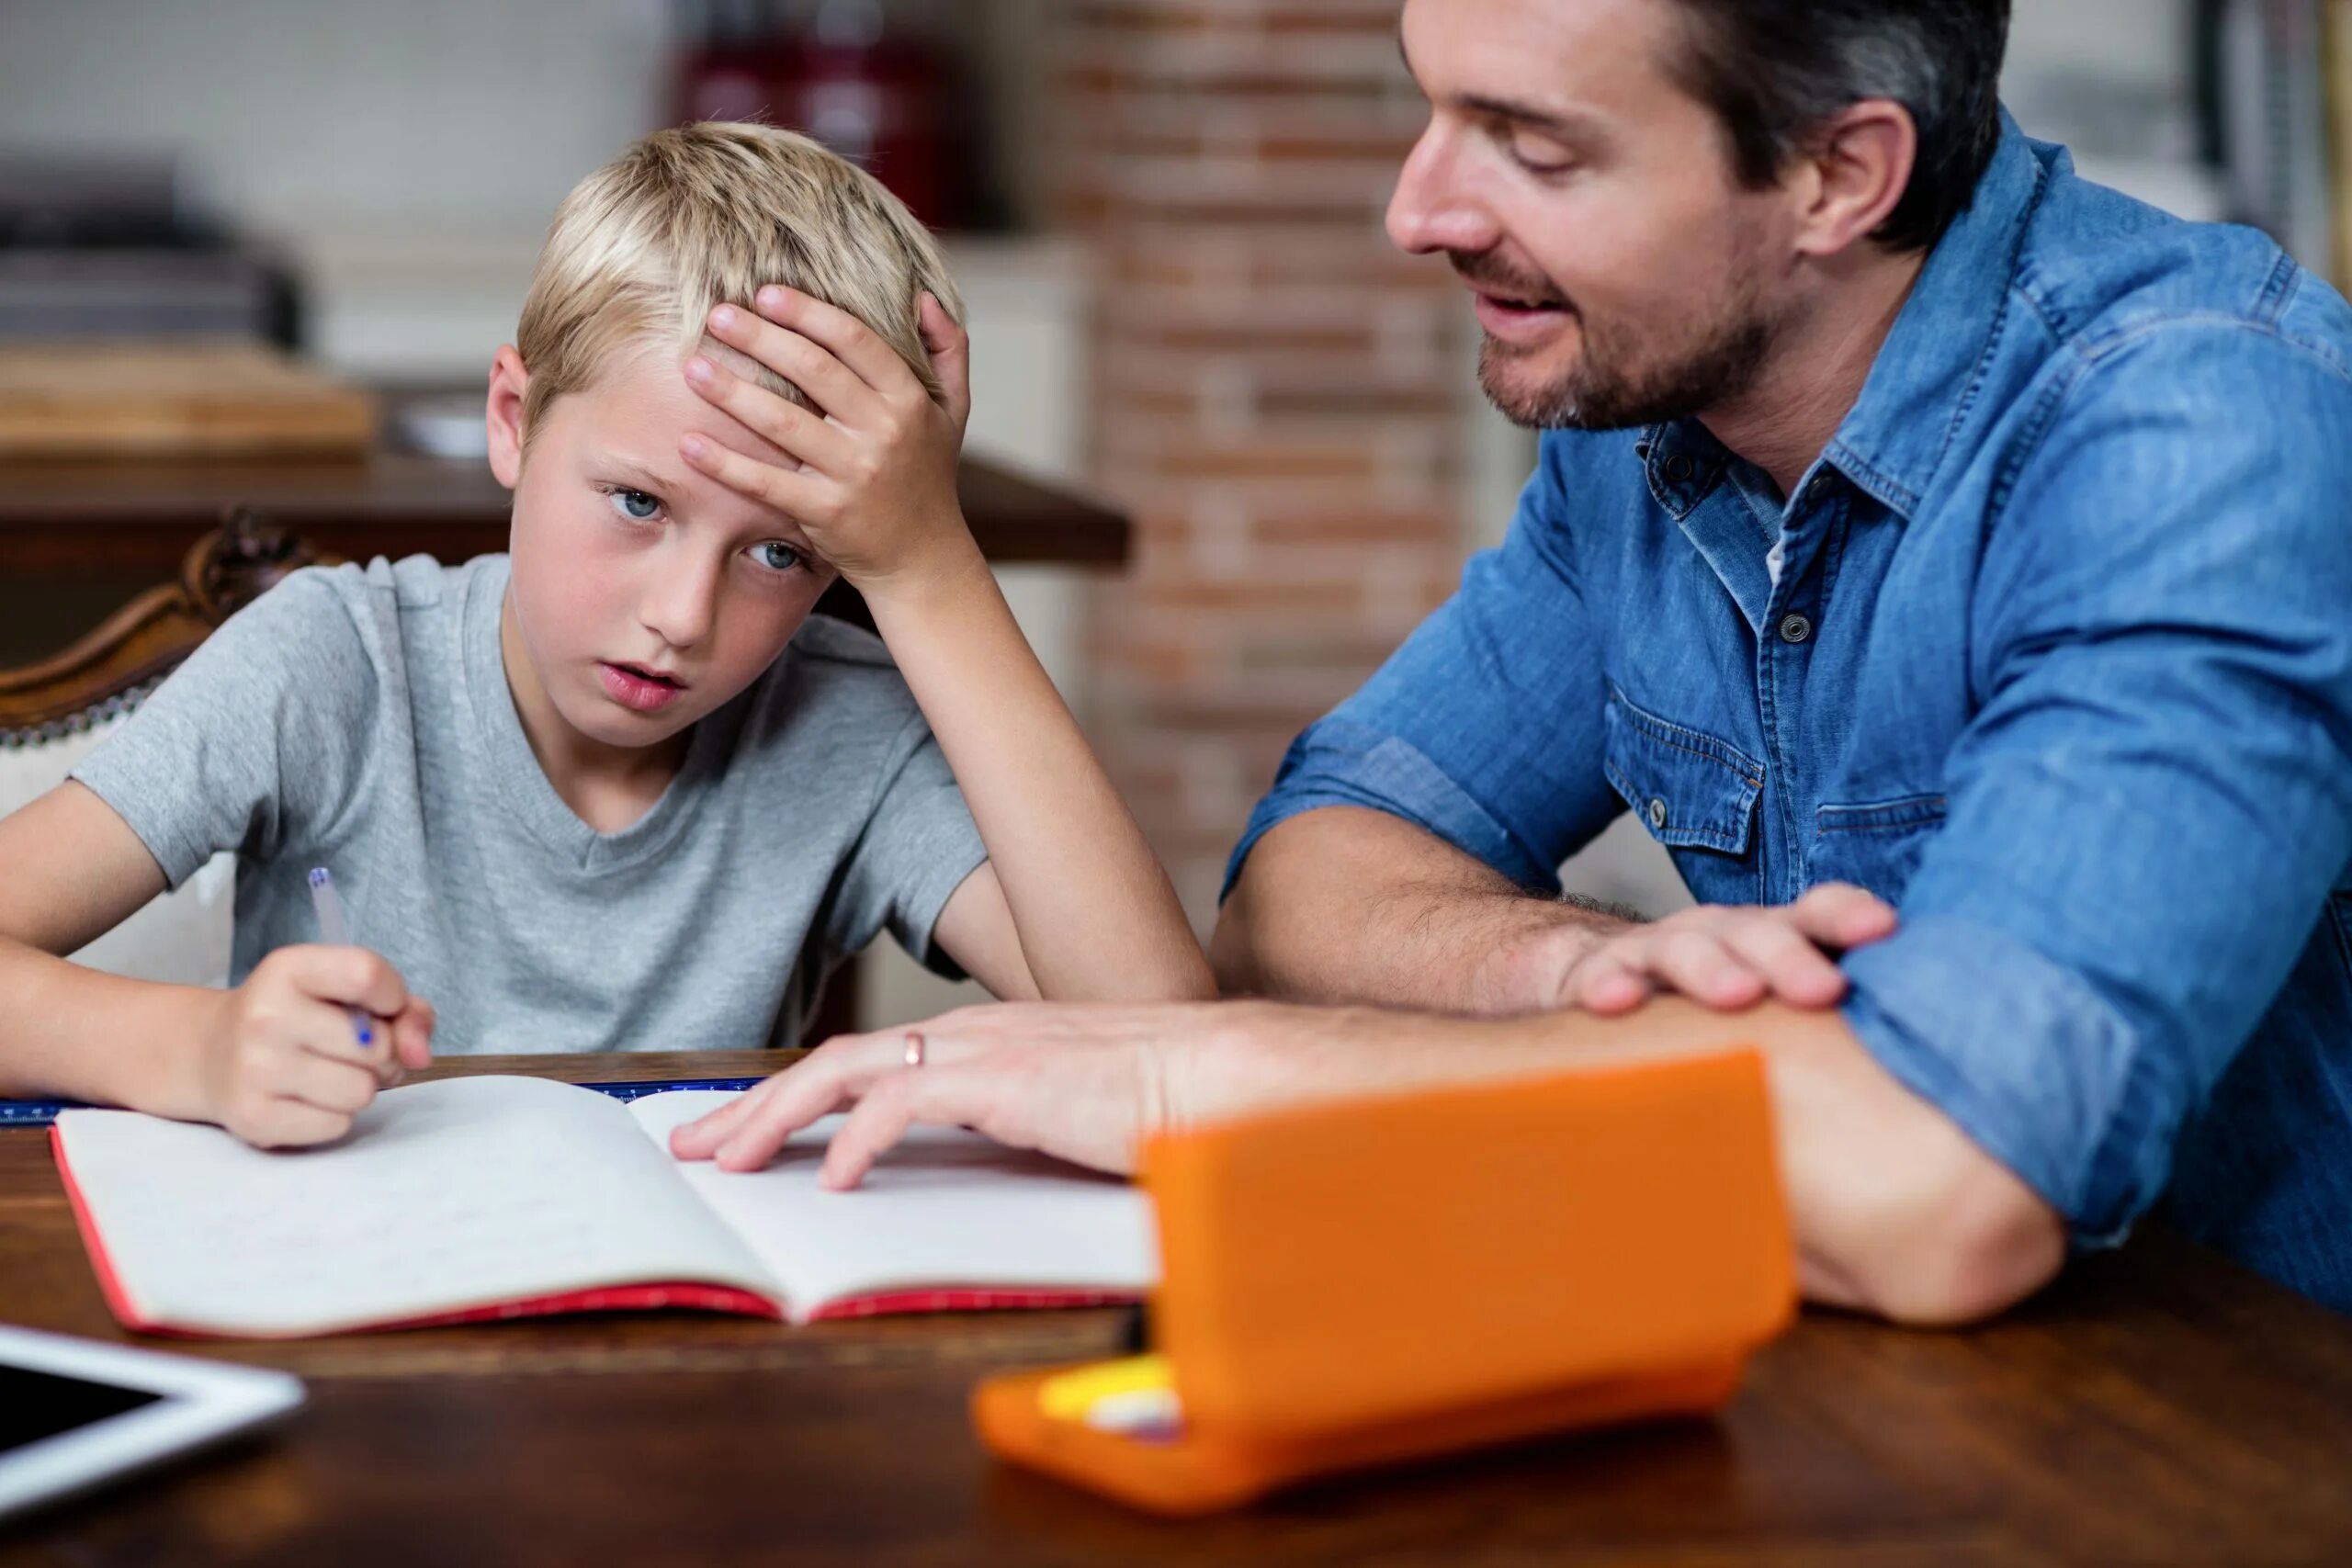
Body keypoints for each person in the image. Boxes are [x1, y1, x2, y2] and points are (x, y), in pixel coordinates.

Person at [673, 0, 2352, 1325]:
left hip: (2236, 1443)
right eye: (1430, 100)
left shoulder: (2199, 426)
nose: (1417, 208)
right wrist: (1574, 975)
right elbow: (1307, 886)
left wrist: (1214, 1076)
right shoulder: (1650, 423)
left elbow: (1944, 1186)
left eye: (1532, 147)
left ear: (1842, 175)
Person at [0, 122, 1213, 1149]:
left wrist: (933, 565)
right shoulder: (333, 663)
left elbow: (1166, 1059)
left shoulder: (847, 726)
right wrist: (199, 1049)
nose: (683, 618)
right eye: (638, 504)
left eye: (782, 551)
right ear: (515, 421)